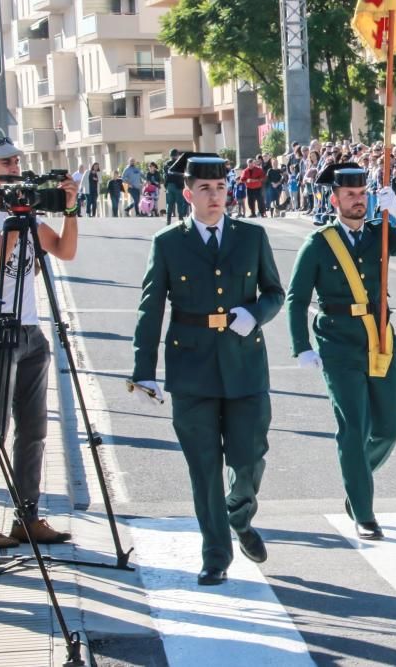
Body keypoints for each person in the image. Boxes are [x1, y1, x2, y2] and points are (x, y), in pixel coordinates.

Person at [130, 153, 284, 585]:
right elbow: (150, 309)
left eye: (219, 188)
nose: (214, 196)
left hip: (245, 363)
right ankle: (215, 554)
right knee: (203, 468)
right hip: (191, 366)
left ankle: (240, 513)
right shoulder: (168, 242)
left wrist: (256, 313)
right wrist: (144, 369)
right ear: (188, 193)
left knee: (249, 456)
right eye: (204, 189)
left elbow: (274, 291)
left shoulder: (252, 236)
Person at [286, 163, 396, 541]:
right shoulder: (320, 243)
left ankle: (356, 481)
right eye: (351, 195)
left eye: (363, 195)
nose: (359, 201)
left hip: (380, 340)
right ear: (335, 199)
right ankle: (364, 513)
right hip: (338, 345)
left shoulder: (380, 234)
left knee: (389, 429)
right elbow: (296, 298)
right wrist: (301, 346)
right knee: (354, 429)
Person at [0, 129, 79, 548]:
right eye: (4, 164)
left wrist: (71, 210)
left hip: (31, 329)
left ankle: (27, 516)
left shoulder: (28, 212)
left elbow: (64, 252)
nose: (14, 170)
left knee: (34, 429)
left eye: (16, 163)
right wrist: (14, 226)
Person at [163, 148, 188, 225]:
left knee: (169, 204)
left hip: (169, 185)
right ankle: (180, 221)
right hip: (179, 186)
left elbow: (164, 175)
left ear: (170, 155)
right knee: (179, 203)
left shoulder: (166, 164)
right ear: (177, 155)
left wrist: (166, 185)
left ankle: (168, 221)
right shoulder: (180, 163)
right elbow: (185, 174)